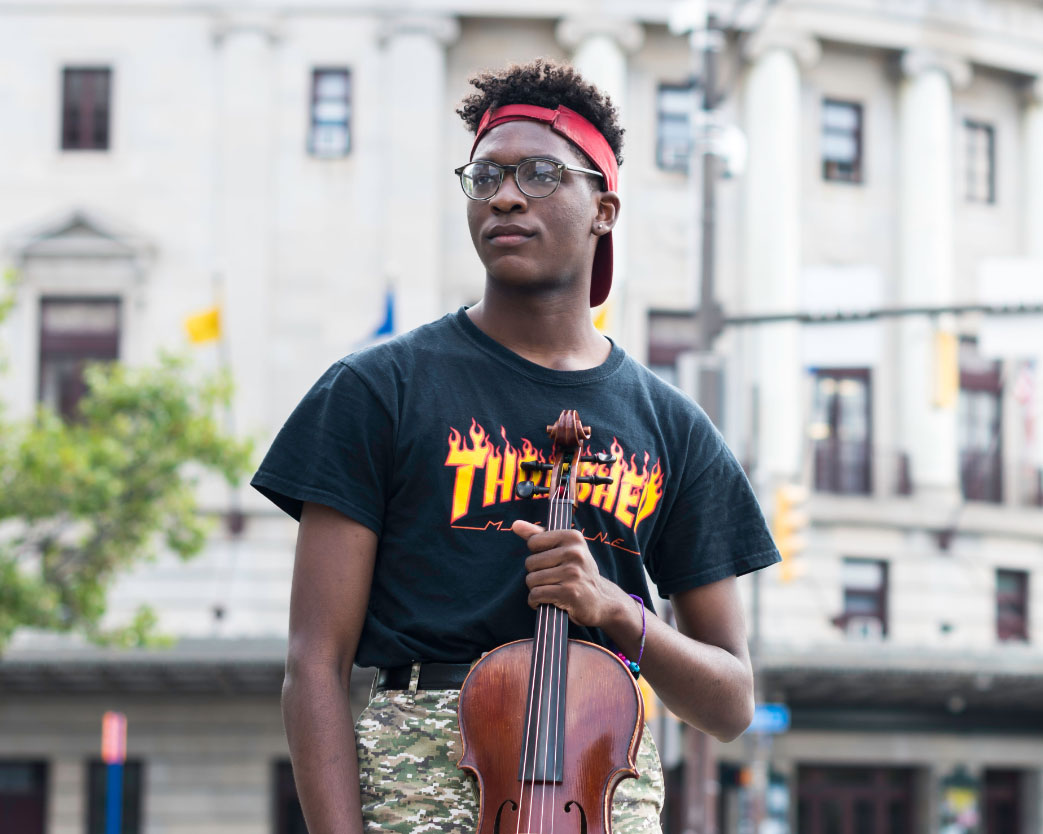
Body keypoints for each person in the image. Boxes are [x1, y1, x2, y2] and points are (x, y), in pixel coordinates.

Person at [251, 58, 780, 834]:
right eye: (485, 177)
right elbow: (314, 664)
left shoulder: (675, 429)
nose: (503, 195)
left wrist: (617, 611)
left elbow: (730, 703)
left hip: (600, 782)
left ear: (603, 208)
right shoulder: (375, 390)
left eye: (538, 174)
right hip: (420, 778)